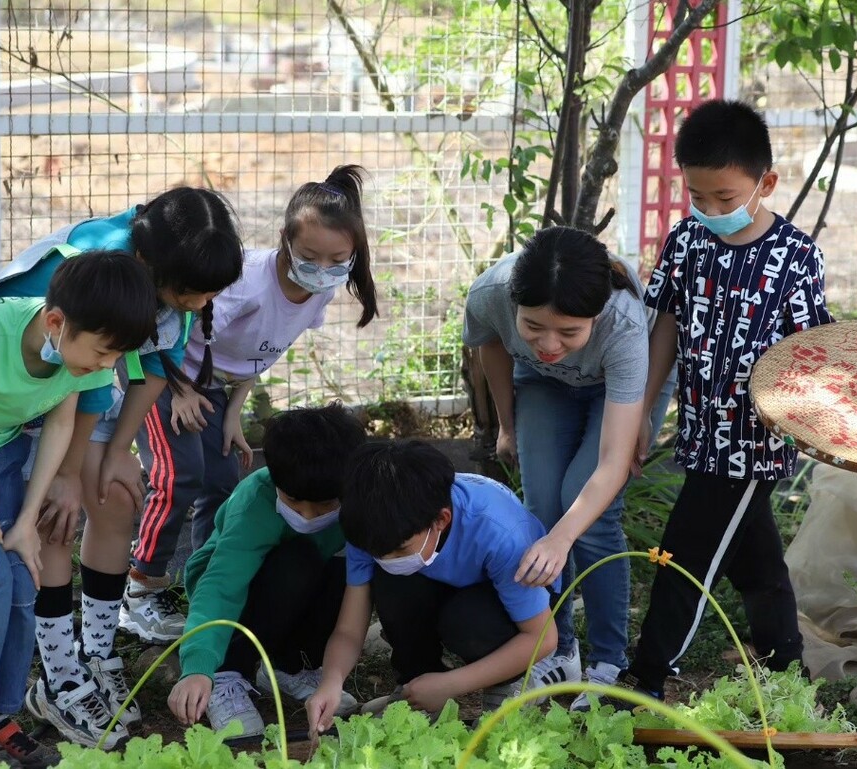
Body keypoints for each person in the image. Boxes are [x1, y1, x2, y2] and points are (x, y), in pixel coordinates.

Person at [0, 188, 244, 746]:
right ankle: (57, 676)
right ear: (151, 269)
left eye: (207, 296)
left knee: (120, 494)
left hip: (90, 386)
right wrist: (69, 473)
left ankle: (96, 655)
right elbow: (60, 373)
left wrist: (116, 452)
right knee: (56, 514)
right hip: (22, 397)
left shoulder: (167, 277)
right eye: (190, 295)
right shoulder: (84, 270)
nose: (198, 305)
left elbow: (152, 371)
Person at [603, 99, 834, 709]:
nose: (709, 211)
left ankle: (645, 680)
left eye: (725, 200)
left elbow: (810, 355)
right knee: (757, 565)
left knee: (685, 558)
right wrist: (640, 420)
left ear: (766, 184)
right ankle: (789, 676)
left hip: (752, 445)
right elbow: (665, 333)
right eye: (697, 198)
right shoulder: (686, 241)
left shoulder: (797, 256)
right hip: (701, 435)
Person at [123, 165, 379, 644]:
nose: (322, 270)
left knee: (223, 481)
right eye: (309, 256)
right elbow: (172, 329)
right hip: (166, 374)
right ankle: (141, 588)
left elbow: (261, 356)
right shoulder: (245, 285)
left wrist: (235, 412)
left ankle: (207, 586)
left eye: (336, 259)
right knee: (180, 474)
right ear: (285, 239)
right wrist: (180, 391)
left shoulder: (316, 294)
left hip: (216, 389)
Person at [0, 253, 157, 766]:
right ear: (55, 323)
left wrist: (25, 523)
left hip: (0, 460)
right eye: (104, 352)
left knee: (26, 579)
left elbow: (62, 427)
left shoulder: (79, 356)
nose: (107, 368)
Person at [462, 225, 662, 711]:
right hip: (544, 383)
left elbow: (613, 462)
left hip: (619, 385)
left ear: (593, 316)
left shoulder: (624, 325)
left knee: (586, 518)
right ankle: (562, 650)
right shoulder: (491, 293)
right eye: (533, 326)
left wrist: (563, 537)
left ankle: (609, 663)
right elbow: (490, 347)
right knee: (543, 509)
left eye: (569, 330)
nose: (549, 341)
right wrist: (506, 425)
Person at [305, 440, 558, 733]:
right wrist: (331, 682)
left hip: (500, 607)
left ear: (441, 520)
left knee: (470, 621)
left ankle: (509, 687)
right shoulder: (372, 526)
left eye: (399, 550)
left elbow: (542, 637)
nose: (386, 558)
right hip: (438, 583)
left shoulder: (500, 533)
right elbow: (349, 629)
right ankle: (417, 688)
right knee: (392, 583)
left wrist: (453, 684)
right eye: (376, 553)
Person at [166, 404, 366, 738]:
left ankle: (288, 667)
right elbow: (221, 587)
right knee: (295, 561)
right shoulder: (255, 504)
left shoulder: (359, 499)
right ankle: (226, 674)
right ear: (273, 477)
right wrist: (199, 666)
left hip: (300, 586)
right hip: (240, 593)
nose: (308, 515)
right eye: (293, 502)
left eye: (324, 506)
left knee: (348, 572)